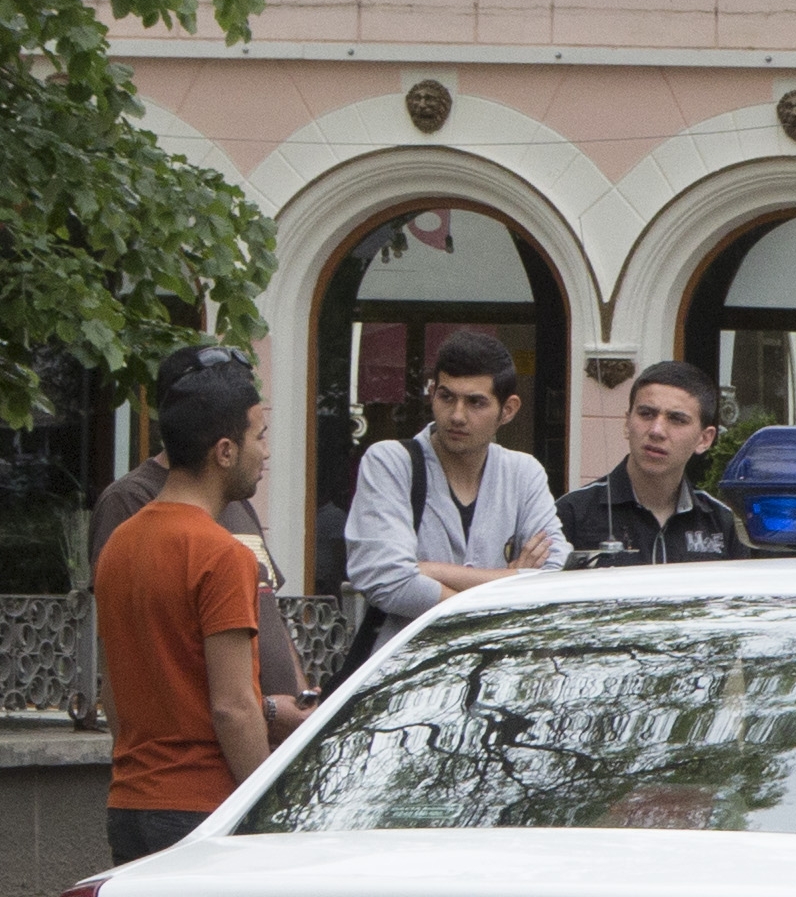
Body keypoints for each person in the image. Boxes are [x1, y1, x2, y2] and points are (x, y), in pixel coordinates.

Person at [95, 352, 280, 860]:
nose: (265, 452)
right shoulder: (222, 555)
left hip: (128, 804)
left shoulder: (121, 543)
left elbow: (112, 690)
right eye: (259, 436)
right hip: (203, 809)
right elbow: (233, 706)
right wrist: (267, 806)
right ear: (224, 451)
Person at [86, 341, 301, 742]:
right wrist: (266, 711)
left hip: (261, 748)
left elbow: (266, 611)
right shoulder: (131, 503)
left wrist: (299, 700)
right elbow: (135, 657)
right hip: (211, 765)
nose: (265, 451)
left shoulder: (235, 497)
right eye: (257, 434)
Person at [339, 325, 565, 623]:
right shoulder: (391, 462)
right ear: (432, 393)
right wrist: (505, 583)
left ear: (508, 410)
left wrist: (430, 570)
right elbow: (387, 581)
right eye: (446, 397)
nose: (457, 415)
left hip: (496, 665)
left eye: (475, 402)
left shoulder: (523, 473)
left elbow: (552, 575)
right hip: (408, 663)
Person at [556, 360, 754, 567]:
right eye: (646, 414)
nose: (656, 430)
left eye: (677, 419)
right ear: (626, 423)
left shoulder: (721, 522)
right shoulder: (572, 514)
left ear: (704, 439)